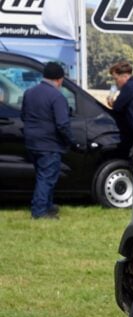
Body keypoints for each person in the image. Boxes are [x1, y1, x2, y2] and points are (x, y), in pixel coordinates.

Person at [21, 62, 73, 220]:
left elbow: (23, 116)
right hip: (49, 143)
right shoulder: (57, 97)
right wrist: (69, 140)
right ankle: (39, 211)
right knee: (47, 179)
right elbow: (62, 124)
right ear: (59, 79)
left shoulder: (29, 93)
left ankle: (47, 206)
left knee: (42, 176)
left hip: (31, 142)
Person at [107, 61, 133, 163]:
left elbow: (117, 107)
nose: (116, 83)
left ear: (125, 76)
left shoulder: (129, 87)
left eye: (116, 79)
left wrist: (110, 102)